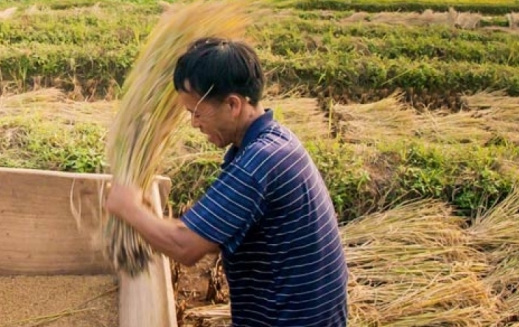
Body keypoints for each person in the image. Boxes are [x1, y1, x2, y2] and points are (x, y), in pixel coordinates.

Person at [104, 38, 348, 326]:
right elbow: (211, 233)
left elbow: (186, 247)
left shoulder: (259, 162)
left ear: (233, 104)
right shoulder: (275, 142)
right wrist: (148, 216)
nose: (194, 123)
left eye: (197, 112)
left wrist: (128, 207)